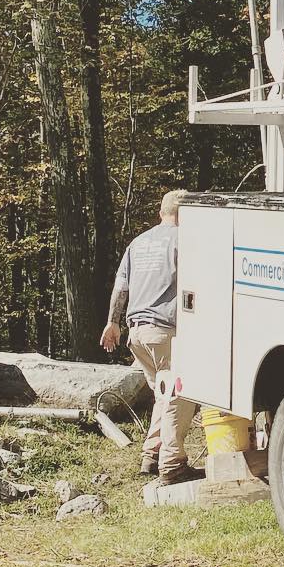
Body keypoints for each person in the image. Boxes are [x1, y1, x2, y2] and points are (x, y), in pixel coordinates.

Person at [101, 190, 200, 485]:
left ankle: (151, 455)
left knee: (162, 394)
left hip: (138, 334)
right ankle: (172, 466)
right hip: (165, 332)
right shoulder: (185, 240)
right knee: (176, 398)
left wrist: (112, 323)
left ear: (161, 212)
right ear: (186, 214)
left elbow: (121, 288)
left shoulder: (138, 243)